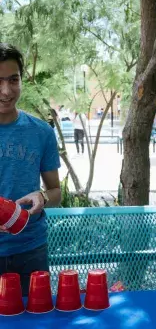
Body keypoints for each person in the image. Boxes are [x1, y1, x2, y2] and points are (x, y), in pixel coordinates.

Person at [0, 43, 61, 295]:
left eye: (13, 80)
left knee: (36, 321)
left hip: (31, 252)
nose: (6, 91)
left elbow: (56, 192)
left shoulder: (41, 132)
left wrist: (43, 196)